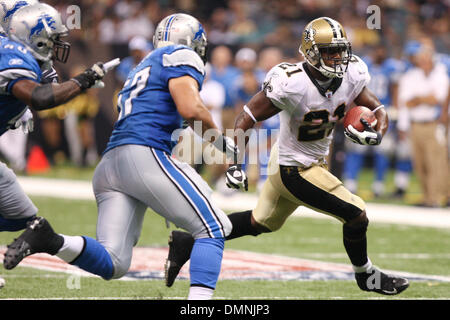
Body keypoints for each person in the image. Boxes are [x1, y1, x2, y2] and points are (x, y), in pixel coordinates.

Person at [164, 17, 410, 296]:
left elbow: (377, 108)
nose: (337, 57)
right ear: (311, 52)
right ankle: (366, 275)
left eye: (340, 50)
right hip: (294, 169)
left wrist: (378, 128)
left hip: (303, 162)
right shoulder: (291, 82)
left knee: (260, 222)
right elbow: (248, 116)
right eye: (329, 51)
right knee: (356, 215)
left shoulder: (351, 74)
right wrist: (235, 164)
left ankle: (187, 242)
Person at [4, 13, 234, 301]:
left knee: (114, 262)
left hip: (111, 164)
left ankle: (50, 240)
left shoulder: (143, 66)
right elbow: (191, 108)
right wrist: (220, 141)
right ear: (192, 41)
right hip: (144, 155)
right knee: (214, 227)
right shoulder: (181, 55)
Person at [0, 1, 111, 266]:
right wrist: (82, 81)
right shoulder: (10, 52)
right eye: (51, 39)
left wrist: (77, 83)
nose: (56, 44)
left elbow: (51, 90)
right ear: (33, 38)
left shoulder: (32, 59)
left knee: (20, 216)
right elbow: (39, 97)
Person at [343, 44, 411, 198]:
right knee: (356, 148)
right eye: (377, 50)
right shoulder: (362, 65)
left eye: (382, 50)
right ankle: (351, 183)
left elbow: (395, 89)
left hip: (382, 112)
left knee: (382, 150)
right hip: (362, 113)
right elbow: (354, 90)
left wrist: (394, 111)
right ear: (372, 51)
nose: (379, 52)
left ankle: (378, 184)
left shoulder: (392, 67)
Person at [397, 39, 449, 207]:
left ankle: (437, 197)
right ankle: (427, 197)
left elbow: (438, 98)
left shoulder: (440, 73)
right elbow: (405, 102)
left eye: (426, 58)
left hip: (433, 124)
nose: (424, 61)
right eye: (421, 58)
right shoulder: (410, 76)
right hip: (415, 124)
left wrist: (418, 98)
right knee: (419, 163)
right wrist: (403, 126)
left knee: (436, 161)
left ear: (431, 58)